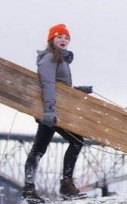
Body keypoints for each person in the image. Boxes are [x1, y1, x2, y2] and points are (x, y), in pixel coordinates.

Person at [22, 24, 91, 203]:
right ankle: (65, 186)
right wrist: (49, 110)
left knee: (39, 149)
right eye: (59, 37)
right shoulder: (50, 57)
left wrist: (76, 90)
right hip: (51, 111)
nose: (63, 40)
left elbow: (58, 85)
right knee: (75, 142)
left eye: (66, 38)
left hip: (55, 110)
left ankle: (29, 189)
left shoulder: (60, 59)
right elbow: (47, 84)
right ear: (51, 39)